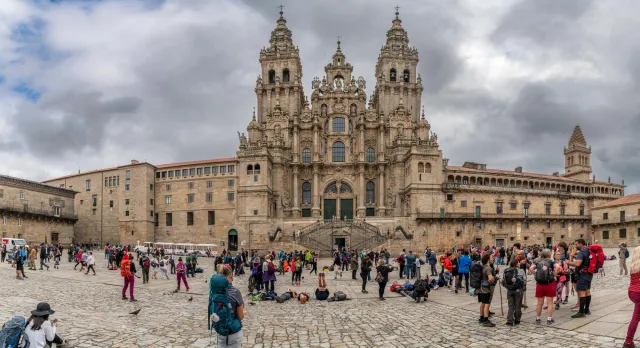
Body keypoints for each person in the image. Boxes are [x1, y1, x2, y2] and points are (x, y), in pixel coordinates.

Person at [213, 266, 245, 348]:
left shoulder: (214, 293)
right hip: (233, 333)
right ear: (230, 276)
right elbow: (241, 317)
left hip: (220, 332)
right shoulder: (235, 292)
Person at [530, 249, 558, 325]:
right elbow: (558, 267)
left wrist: (535, 275)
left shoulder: (537, 261)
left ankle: (538, 318)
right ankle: (549, 319)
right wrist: (554, 275)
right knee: (550, 303)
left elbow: (531, 268)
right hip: (550, 283)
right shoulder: (551, 261)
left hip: (540, 284)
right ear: (549, 254)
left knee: (539, 303)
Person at [568, 239, 592, 318]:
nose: (575, 246)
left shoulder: (581, 252)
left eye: (576, 244)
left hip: (582, 275)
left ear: (581, 244)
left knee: (582, 292)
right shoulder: (588, 250)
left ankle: (581, 312)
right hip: (589, 274)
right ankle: (587, 310)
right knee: (587, 291)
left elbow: (577, 264)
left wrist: (568, 262)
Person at [623, 246, 640, 348]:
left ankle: (629, 342)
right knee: (636, 317)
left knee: (637, 316)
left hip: (632, 292)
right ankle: (628, 341)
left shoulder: (633, 265)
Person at [478, 253, 495, 327]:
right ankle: (485, 320)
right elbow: (490, 278)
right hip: (485, 289)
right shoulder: (488, 268)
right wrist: (494, 278)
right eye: (492, 258)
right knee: (487, 304)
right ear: (488, 259)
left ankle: (481, 318)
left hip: (480, 288)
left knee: (483, 303)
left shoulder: (482, 267)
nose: (493, 259)